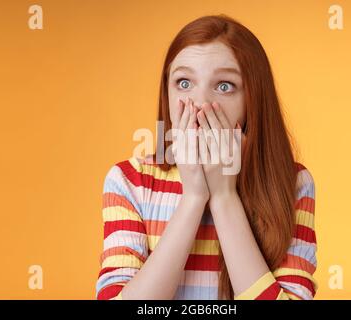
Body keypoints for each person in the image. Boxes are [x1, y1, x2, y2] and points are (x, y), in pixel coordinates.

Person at [96, 14, 317, 300]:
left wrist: (225, 197)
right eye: (184, 82)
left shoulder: (294, 183)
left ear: (253, 100)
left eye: (224, 85)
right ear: (167, 92)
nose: (199, 103)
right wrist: (193, 198)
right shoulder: (129, 181)